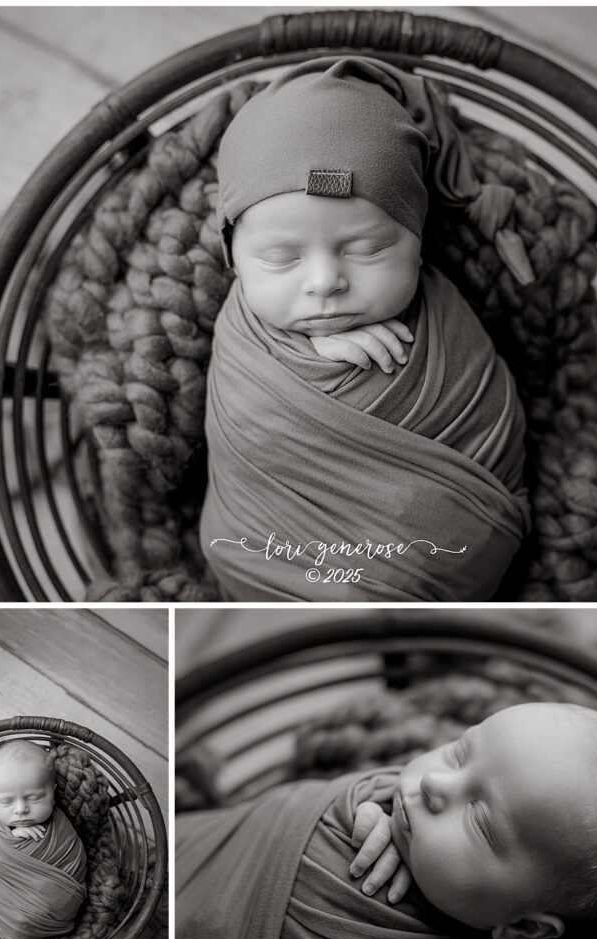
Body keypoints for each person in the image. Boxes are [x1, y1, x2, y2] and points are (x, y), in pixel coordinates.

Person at [201, 56, 532, 602]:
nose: (326, 281)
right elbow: (249, 435)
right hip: (261, 566)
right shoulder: (242, 342)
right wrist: (309, 356)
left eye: (369, 249)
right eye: (282, 259)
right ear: (231, 257)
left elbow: (491, 424)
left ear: (419, 239)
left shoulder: (448, 327)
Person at [176, 702, 597, 939]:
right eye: (459, 753)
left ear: (524, 929)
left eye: (481, 820)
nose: (436, 784)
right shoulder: (375, 804)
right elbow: (291, 806)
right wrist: (358, 803)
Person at [0, 740, 87, 939]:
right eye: (6, 801)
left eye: (35, 798)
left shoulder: (60, 827)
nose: (20, 809)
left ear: (53, 793)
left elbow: (75, 857)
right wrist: (12, 837)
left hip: (56, 905)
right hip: (2, 900)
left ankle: (37, 925)